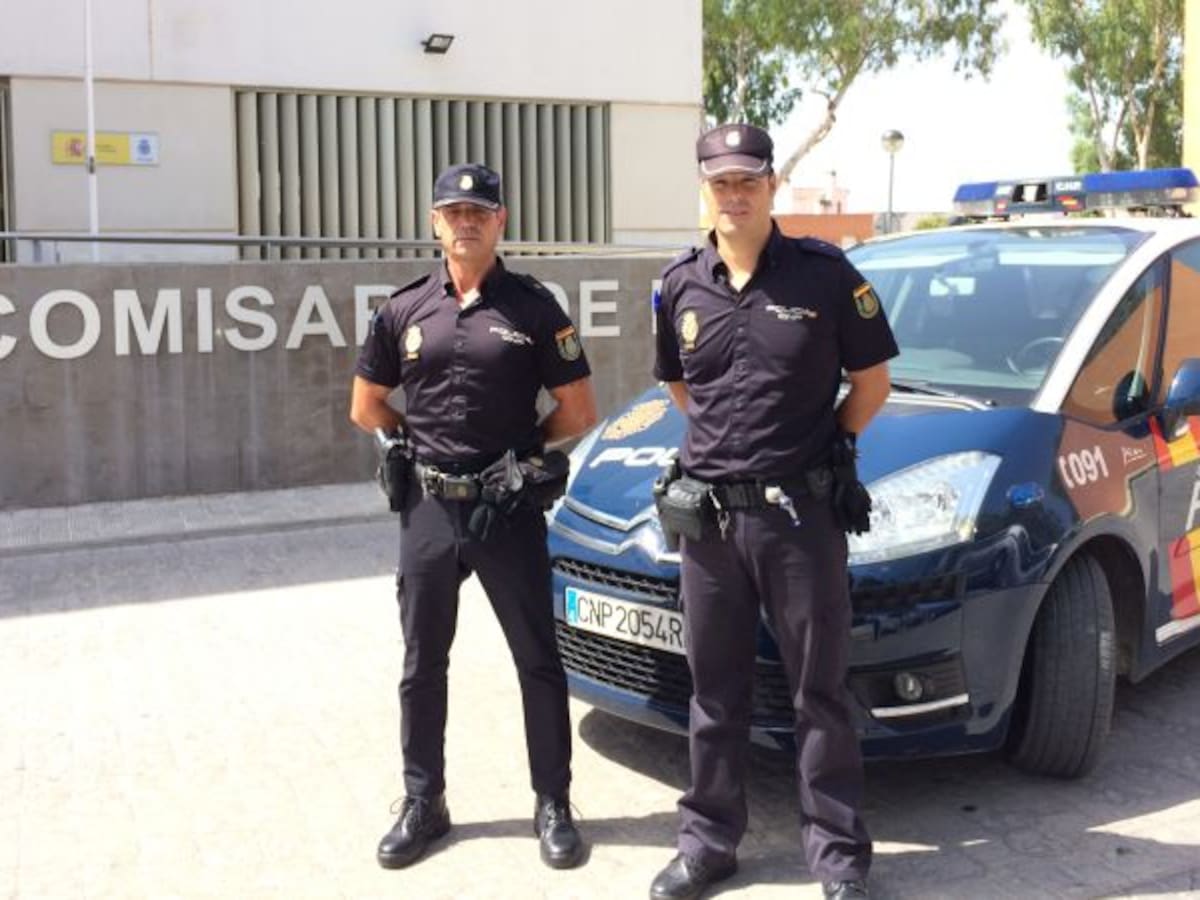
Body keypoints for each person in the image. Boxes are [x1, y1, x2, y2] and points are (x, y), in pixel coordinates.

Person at [648, 124, 897, 900]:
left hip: (800, 521)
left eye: (747, 179)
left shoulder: (826, 275)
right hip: (712, 526)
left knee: (818, 693)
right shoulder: (679, 284)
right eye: (719, 181)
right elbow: (679, 389)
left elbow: (873, 383)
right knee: (713, 690)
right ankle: (709, 843)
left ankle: (838, 859)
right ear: (704, 188)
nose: (734, 193)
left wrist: (827, 449)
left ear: (771, 184)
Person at [350, 162, 598, 871]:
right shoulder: (402, 309)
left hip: (506, 508)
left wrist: (520, 461)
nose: (465, 221)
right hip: (429, 509)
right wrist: (411, 444)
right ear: (434, 222)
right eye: (452, 211)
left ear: (501, 221)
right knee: (421, 663)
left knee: (538, 662)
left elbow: (578, 411)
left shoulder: (534, 306)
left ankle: (552, 803)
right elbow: (365, 404)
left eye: (478, 211)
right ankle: (424, 802)